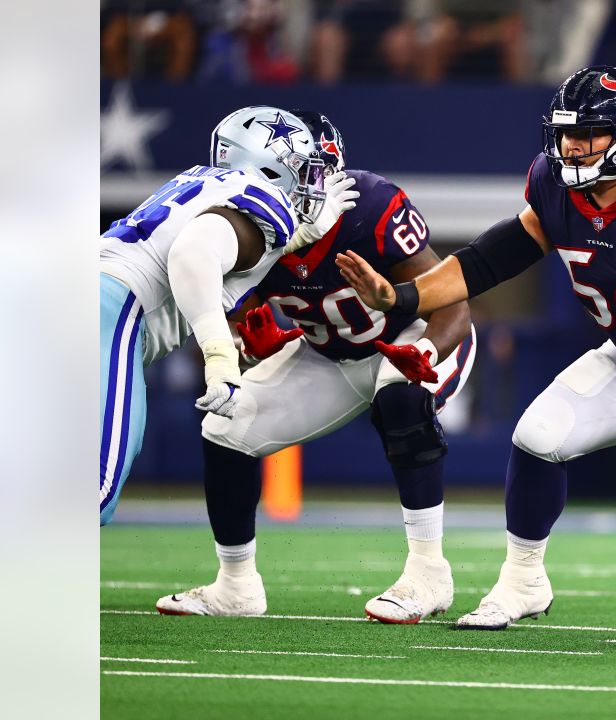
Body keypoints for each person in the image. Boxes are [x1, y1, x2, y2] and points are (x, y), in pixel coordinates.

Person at [336, 65, 616, 644]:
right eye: (565, 131)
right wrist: (401, 295)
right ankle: (523, 580)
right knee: (537, 437)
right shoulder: (554, 187)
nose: (571, 144)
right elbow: (486, 261)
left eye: (590, 132)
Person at [154, 111, 476, 622]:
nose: (321, 183)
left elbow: (453, 302)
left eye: (319, 168)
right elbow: (228, 311)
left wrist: (427, 352)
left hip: (410, 338)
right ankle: (235, 585)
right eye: (307, 170)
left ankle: (428, 575)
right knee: (225, 425)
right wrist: (248, 338)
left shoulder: (368, 206)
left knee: (401, 397)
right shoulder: (243, 226)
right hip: (328, 353)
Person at [99, 105, 329, 525]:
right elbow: (193, 253)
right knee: (92, 488)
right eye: (302, 167)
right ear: (271, 162)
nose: (309, 183)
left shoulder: (202, 180)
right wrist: (220, 356)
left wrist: (289, 241)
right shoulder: (264, 198)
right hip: (110, 310)